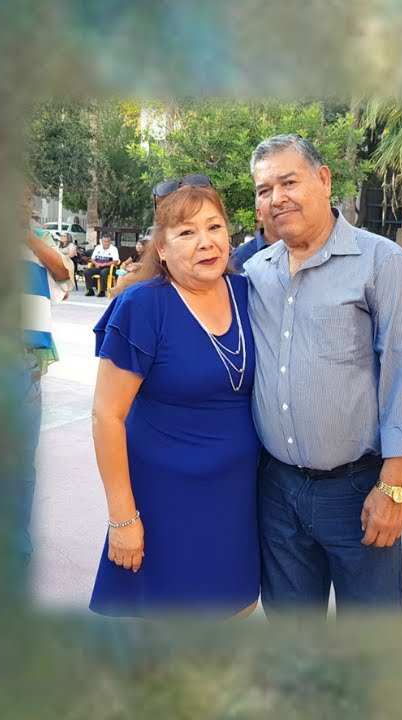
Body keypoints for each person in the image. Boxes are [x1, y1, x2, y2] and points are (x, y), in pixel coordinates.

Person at [246, 134, 402, 614]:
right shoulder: (256, 272)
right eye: (265, 189)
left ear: (323, 180)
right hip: (277, 492)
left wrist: (393, 488)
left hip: (357, 491)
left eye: (289, 181)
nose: (277, 197)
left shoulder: (380, 262)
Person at [89, 176, 261, 618]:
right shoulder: (144, 306)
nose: (205, 242)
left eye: (215, 227)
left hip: (237, 503)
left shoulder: (249, 294)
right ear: (161, 249)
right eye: (186, 232)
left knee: (232, 621)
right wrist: (122, 518)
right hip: (163, 504)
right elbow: (107, 415)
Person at [21, 185, 71, 561]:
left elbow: (64, 272)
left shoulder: (40, 240)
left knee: (23, 462)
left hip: (26, 364)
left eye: (26, 200)